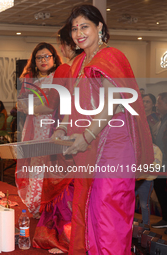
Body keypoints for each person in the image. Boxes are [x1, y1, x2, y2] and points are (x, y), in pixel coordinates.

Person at [52, 5, 154, 254]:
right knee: (88, 210)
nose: (78, 33)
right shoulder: (77, 62)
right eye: (74, 28)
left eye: (84, 26)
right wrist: (62, 128)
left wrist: (87, 135)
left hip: (114, 145)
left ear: (99, 27)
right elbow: (70, 102)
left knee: (109, 212)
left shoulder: (111, 57)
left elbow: (113, 102)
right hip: (90, 146)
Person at [33, 24, 83, 252]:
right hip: (81, 133)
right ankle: (78, 238)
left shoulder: (66, 70)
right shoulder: (84, 67)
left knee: (61, 187)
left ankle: (64, 238)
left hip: (65, 133)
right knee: (76, 187)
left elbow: (55, 105)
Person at [16, 42, 62, 218]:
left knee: (52, 165)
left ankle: (49, 206)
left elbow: (52, 107)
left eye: (47, 56)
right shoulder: (30, 79)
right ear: (34, 60)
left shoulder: (59, 76)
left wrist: (33, 107)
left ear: (54, 58)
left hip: (55, 125)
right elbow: (20, 103)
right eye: (39, 57)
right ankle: (35, 205)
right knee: (36, 163)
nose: (43, 60)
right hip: (34, 126)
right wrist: (35, 107)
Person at [151, 92, 167, 233]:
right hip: (162, 162)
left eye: (159, 102)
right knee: (159, 188)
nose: (156, 105)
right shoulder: (162, 119)